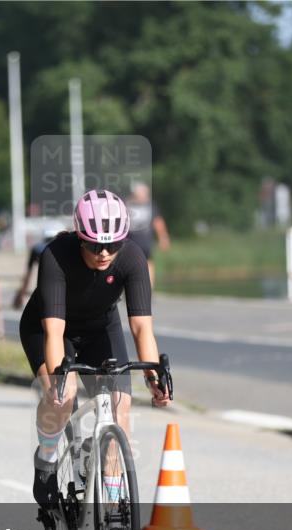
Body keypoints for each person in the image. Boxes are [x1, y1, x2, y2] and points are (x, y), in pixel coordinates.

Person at [19, 189, 172, 509]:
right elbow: (54, 330)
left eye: (113, 245)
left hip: (100, 329)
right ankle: (46, 457)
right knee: (64, 397)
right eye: (94, 244)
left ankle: (115, 506)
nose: (104, 252)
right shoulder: (56, 256)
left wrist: (152, 375)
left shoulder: (131, 258)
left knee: (120, 410)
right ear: (80, 238)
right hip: (49, 328)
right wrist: (59, 384)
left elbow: (142, 327)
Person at [125, 182, 170, 288]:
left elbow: (158, 222)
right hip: (130, 241)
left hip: (145, 241)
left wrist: (163, 237)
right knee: (129, 263)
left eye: (144, 193)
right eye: (140, 193)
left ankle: (149, 289)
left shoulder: (150, 206)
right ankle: (129, 288)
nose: (143, 196)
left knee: (148, 263)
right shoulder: (127, 204)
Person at [12, 230, 59, 310]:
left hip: (43, 288)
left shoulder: (37, 248)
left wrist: (21, 293)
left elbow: (28, 273)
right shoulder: (62, 248)